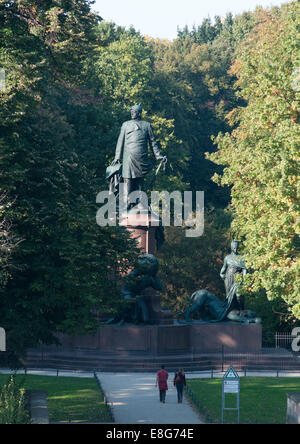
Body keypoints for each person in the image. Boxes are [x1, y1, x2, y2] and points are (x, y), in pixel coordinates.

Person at [112, 104, 167, 210]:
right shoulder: (125, 125)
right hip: (128, 157)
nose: (132, 113)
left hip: (141, 158)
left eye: (134, 111)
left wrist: (158, 156)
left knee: (140, 181)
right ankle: (128, 203)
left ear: (139, 113)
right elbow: (120, 141)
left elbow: (152, 142)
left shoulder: (146, 125)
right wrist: (117, 157)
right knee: (128, 180)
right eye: (131, 111)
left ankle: (141, 202)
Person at [220, 240, 247, 311]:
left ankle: (242, 310)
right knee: (229, 297)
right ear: (232, 248)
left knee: (239, 294)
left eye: (237, 248)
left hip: (237, 278)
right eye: (234, 248)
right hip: (228, 278)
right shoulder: (227, 257)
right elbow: (224, 267)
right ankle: (231, 311)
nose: (236, 249)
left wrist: (244, 279)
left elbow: (244, 269)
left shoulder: (241, 258)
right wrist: (221, 274)